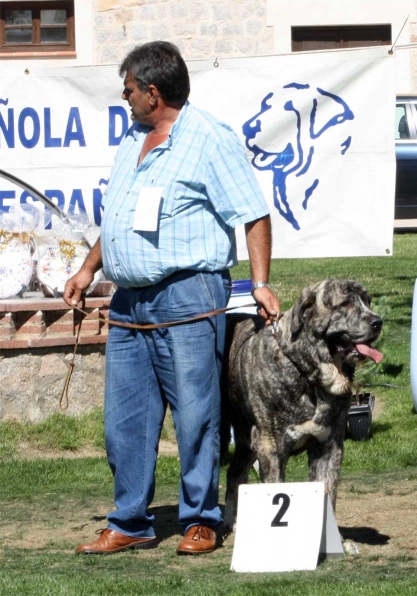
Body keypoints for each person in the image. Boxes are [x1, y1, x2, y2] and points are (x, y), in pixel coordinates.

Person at [63, 40, 280, 556]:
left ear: (153, 92)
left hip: (188, 294)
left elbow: (253, 213)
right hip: (128, 302)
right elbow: (118, 216)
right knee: (125, 420)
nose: (124, 96)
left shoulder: (209, 139)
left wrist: (261, 281)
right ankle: (130, 520)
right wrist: (89, 267)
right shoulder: (131, 139)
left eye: (130, 89)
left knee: (196, 415)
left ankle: (200, 518)